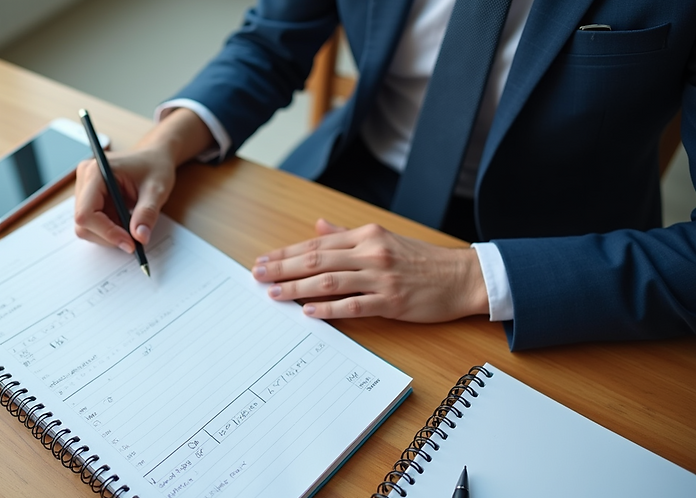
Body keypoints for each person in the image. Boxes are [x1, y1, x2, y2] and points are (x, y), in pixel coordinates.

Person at [74, 0, 696, 351]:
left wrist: (467, 276)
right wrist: (165, 143)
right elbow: (270, 43)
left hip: (555, 253)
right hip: (348, 180)